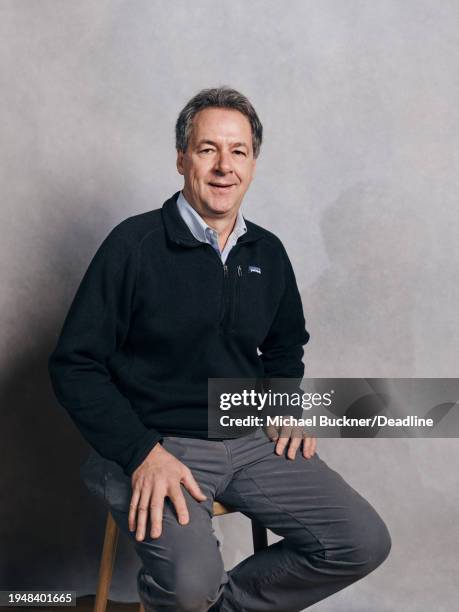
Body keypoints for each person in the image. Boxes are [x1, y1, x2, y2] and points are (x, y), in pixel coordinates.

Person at [48, 86, 391, 612]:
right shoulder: (133, 246)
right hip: (157, 445)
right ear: (182, 158)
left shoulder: (267, 252)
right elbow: (75, 365)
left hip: (249, 436)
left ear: (253, 163)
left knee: (361, 542)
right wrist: (141, 452)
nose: (224, 166)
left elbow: (285, 343)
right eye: (208, 149)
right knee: (189, 589)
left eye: (239, 151)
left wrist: (282, 401)